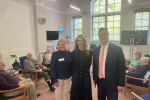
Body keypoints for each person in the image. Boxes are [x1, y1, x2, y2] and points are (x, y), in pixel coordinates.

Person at [93, 27, 125, 100]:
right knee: (100, 98)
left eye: (105, 34)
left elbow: (121, 67)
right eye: (101, 35)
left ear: (108, 35)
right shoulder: (96, 50)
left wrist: (121, 83)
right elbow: (95, 65)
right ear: (98, 37)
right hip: (100, 81)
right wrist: (95, 78)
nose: (103, 36)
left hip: (112, 82)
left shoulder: (117, 49)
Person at [70, 34, 92, 100]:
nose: (80, 42)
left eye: (81, 40)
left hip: (85, 76)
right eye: (78, 41)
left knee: (86, 92)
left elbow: (89, 65)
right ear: (76, 42)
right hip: (76, 76)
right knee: (75, 92)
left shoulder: (89, 53)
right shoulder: (73, 52)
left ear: (84, 42)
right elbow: (72, 65)